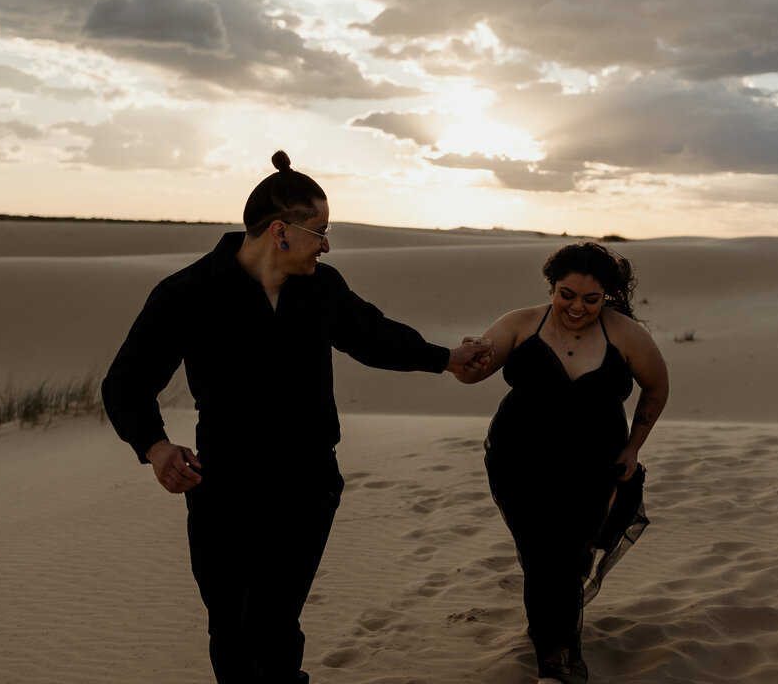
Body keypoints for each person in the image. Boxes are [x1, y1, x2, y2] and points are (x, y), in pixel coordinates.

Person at [101, 150, 491, 684]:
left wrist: (445, 358)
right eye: (321, 230)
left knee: (269, 624)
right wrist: (156, 448)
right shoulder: (187, 293)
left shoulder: (322, 287)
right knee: (229, 629)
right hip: (223, 487)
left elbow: (373, 336)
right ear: (280, 231)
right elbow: (126, 384)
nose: (327, 244)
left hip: (307, 483)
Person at [455, 242, 669, 684]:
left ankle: (552, 636)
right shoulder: (520, 323)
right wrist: (468, 358)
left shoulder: (625, 334)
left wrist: (633, 448)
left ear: (606, 295)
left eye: (591, 299)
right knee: (543, 556)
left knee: (568, 555)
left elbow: (656, 389)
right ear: (552, 286)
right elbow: (471, 372)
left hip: (591, 469)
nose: (577, 307)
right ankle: (555, 662)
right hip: (519, 463)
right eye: (566, 295)